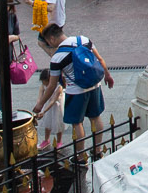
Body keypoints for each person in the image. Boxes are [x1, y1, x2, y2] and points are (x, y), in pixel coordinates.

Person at [34, 22, 114, 150]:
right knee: (95, 117)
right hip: (94, 85)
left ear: (52, 38)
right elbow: (99, 59)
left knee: (77, 123)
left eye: (49, 42)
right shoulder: (84, 40)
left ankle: (80, 155)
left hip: (76, 91)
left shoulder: (57, 57)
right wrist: (107, 75)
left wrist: (40, 104)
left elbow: (51, 86)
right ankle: (98, 149)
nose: (50, 45)